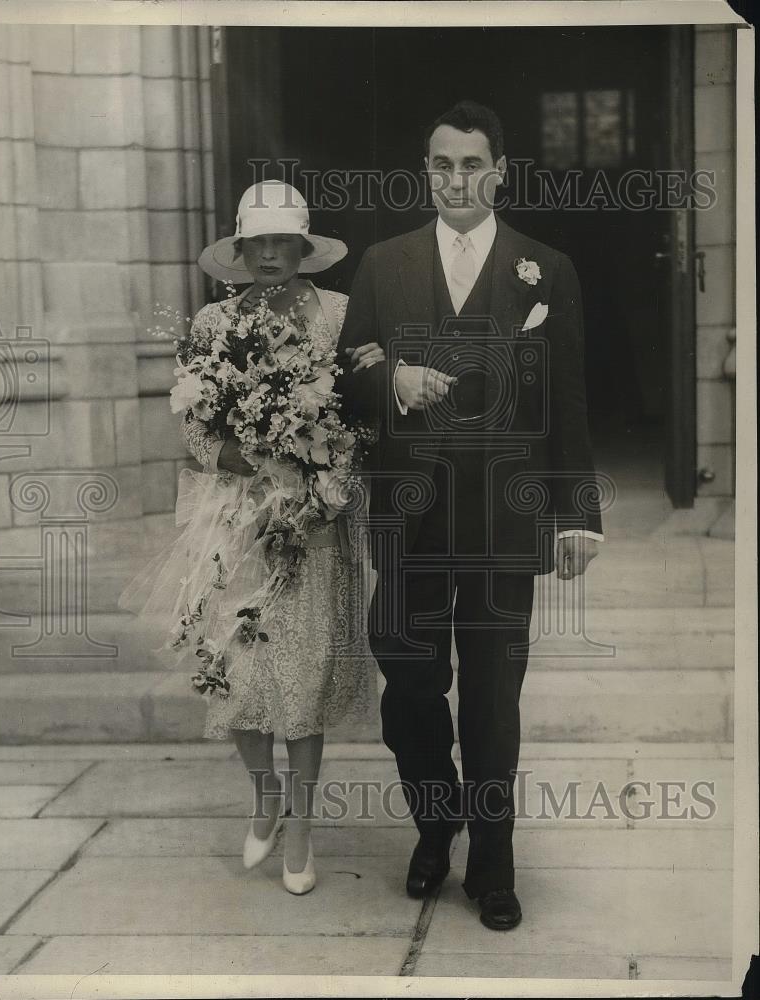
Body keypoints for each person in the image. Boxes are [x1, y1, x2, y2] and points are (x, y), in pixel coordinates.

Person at [335, 101, 603, 930]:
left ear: (499, 171)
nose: (458, 179)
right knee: (408, 688)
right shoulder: (384, 263)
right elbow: (349, 374)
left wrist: (576, 514)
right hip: (407, 518)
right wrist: (395, 383)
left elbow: (567, 402)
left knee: (493, 699)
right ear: (426, 172)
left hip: (503, 518)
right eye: (442, 164)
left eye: (472, 164)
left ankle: (492, 862)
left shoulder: (544, 269)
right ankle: (435, 816)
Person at [124, 181, 383, 895]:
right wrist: (240, 457)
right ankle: (264, 791)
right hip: (236, 522)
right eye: (257, 242)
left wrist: (321, 489)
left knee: (302, 675)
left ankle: (300, 823)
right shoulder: (214, 322)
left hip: (314, 521)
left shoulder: (339, 317)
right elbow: (196, 428)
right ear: (241, 250)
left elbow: (359, 423)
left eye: (283, 242)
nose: (271, 255)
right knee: (235, 673)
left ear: (303, 247)